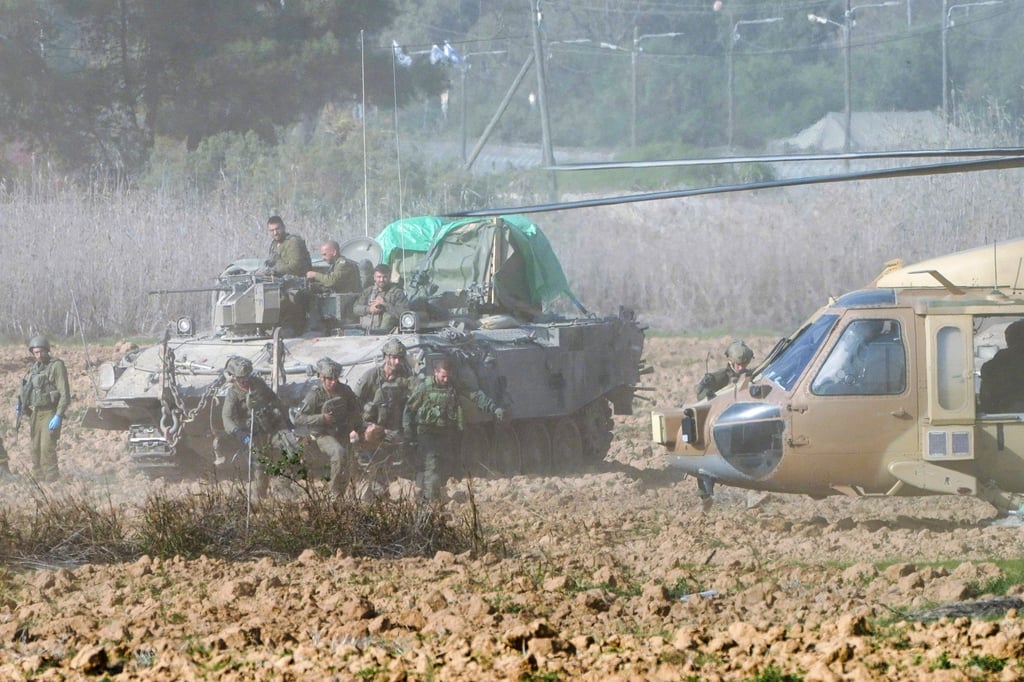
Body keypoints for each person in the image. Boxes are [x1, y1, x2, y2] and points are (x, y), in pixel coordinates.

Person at [403, 356, 505, 501]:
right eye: (443, 376)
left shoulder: (453, 386)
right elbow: (409, 410)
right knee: (431, 467)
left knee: (447, 467)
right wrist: (408, 434)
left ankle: (435, 496)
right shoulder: (424, 388)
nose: (446, 380)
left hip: (447, 434)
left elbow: (474, 395)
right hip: (428, 434)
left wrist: (493, 408)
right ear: (435, 372)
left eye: (448, 376)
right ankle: (430, 501)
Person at [221, 355, 294, 498]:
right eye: (241, 378)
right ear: (234, 377)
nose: (245, 381)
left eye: (247, 376)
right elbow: (226, 417)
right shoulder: (233, 394)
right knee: (260, 467)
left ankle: (282, 485)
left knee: (293, 450)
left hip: (272, 428)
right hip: (253, 434)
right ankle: (260, 495)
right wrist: (238, 433)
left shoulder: (258, 384)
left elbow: (275, 400)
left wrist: (287, 421)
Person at [293, 357, 363, 497]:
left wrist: (354, 428)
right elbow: (299, 418)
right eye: (329, 379)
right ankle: (333, 492)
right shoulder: (315, 395)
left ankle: (353, 487)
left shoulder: (344, 390)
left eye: (335, 378)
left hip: (343, 431)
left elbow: (355, 410)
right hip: (322, 434)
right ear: (321, 378)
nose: (333, 382)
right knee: (338, 452)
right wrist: (321, 418)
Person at [20, 336, 71, 482]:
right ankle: (38, 478)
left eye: (41, 352)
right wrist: (22, 405)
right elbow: (28, 389)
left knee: (47, 447)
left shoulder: (56, 366)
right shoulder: (34, 368)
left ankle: (51, 479)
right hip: (36, 412)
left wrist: (59, 415)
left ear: (47, 351)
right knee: (35, 448)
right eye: (35, 352)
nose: (39, 355)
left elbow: (64, 394)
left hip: (50, 411)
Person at [359, 339, 415, 459]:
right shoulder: (371, 376)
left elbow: (417, 394)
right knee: (371, 435)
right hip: (372, 425)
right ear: (385, 357)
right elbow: (355, 400)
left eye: (400, 358)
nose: (397, 361)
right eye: (394, 357)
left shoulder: (406, 376)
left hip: (394, 427)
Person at [980, 319, 1024, 413]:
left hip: (1008, 408)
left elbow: (986, 371)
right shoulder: (1004, 356)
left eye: (1008, 338)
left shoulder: (1004, 356)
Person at [352, 264, 408, 334]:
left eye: (385, 277)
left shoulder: (397, 293)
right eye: (379, 277)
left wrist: (385, 305)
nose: (381, 280)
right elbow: (356, 308)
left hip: (389, 335)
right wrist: (369, 309)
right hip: (367, 334)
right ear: (374, 277)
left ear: (389, 277)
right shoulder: (368, 291)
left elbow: (404, 313)